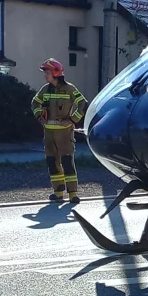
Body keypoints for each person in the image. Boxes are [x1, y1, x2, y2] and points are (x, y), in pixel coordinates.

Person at [31, 58, 89, 203]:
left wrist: (72, 120)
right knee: (52, 162)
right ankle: (58, 192)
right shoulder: (45, 89)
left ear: (56, 73)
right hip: (49, 134)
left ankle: (72, 194)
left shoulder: (70, 89)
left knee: (67, 162)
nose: (45, 75)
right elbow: (35, 102)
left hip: (64, 134)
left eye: (47, 72)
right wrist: (39, 116)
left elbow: (83, 103)